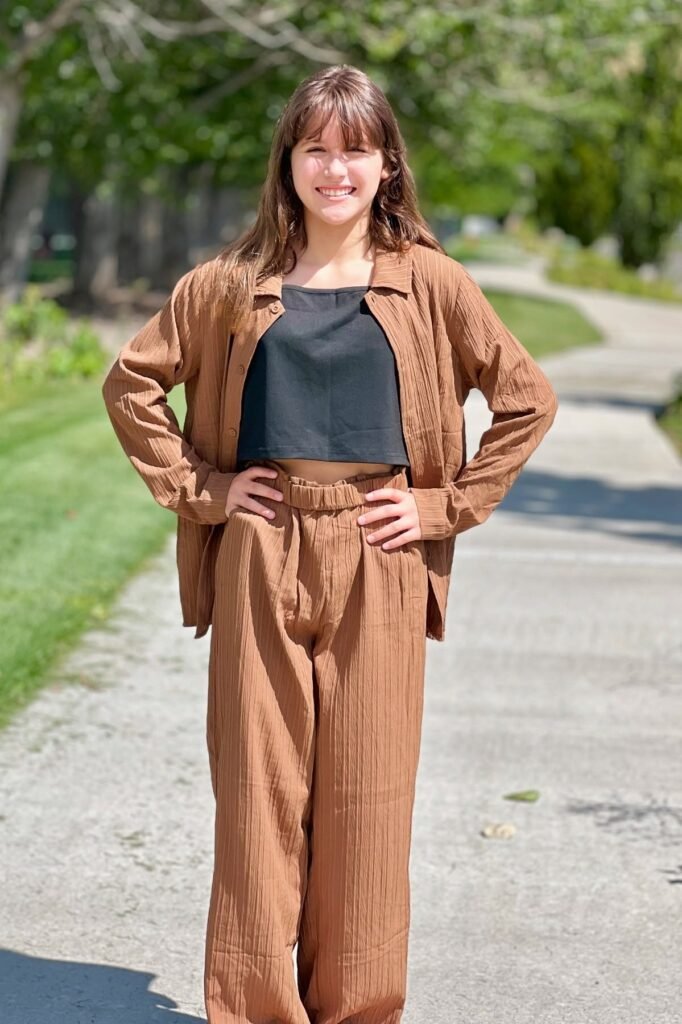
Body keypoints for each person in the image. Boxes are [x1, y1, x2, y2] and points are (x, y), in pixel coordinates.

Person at [102, 64, 558, 1024]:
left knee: (366, 801)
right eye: (316, 147)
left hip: (379, 553)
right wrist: (206, 490)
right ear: (289, 162)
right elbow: (131, 384)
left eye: (356, 149)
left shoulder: (430, 282)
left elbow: (525, 399)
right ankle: (256, 1009)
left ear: (387, 165)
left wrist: (442, 509)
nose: (335, 168)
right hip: (262, 548)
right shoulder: (230, 284)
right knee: (258, 796)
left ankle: (355, 1011)